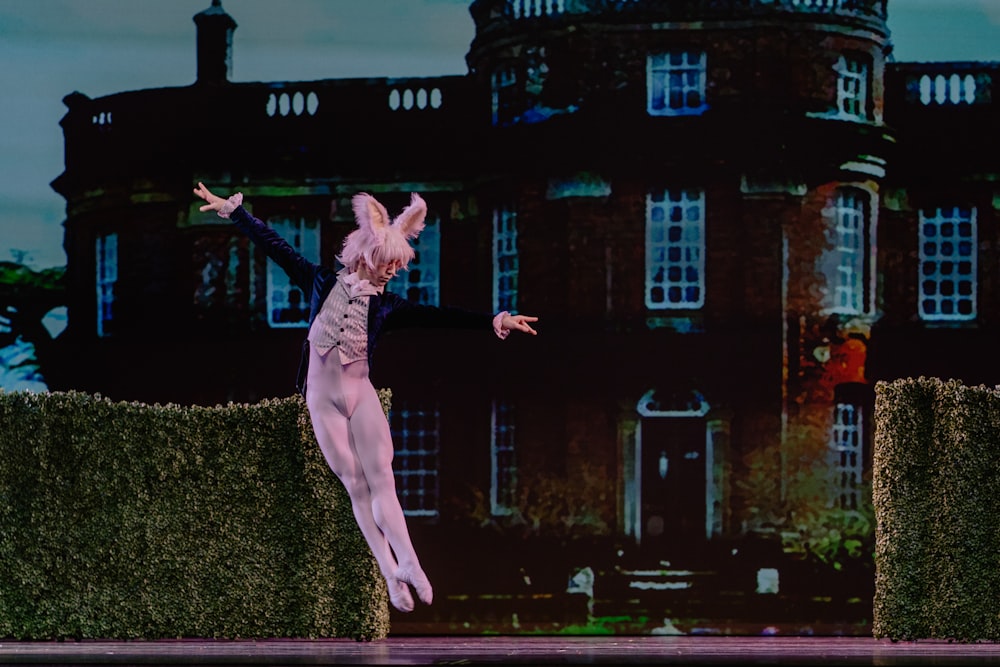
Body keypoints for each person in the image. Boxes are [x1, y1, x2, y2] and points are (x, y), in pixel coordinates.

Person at [193, 182, 538, 613]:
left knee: (382, 479)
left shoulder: (386, 305)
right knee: (356, 485)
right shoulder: (319, 281)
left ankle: (409, 563)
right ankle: (390, 575)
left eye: (398, 264)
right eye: (389, 262)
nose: (393, 271)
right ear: (368, 253)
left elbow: (437, 316)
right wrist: (235, 212)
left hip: (360, 393)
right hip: (322, 399)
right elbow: (275, 247)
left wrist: (495, 319)